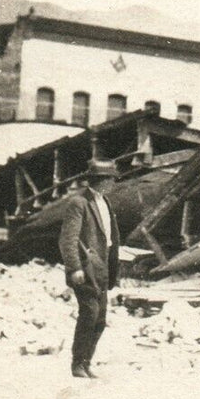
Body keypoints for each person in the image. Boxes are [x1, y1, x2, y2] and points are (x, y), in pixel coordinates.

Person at [58, 158, 120, 379]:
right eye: (111, 179)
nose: (114, 184)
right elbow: (68, 239)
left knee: (100, 318)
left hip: (102, 268)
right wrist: (74, 267)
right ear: (101, 181)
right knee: (90, 313)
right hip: (86, 268)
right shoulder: (79, 202)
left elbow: (109, 238)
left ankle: (86, 363)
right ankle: (77, 364)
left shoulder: (105, 202)